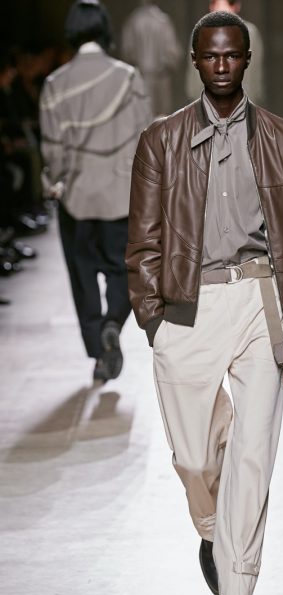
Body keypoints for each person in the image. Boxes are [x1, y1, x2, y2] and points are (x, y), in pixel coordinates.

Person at [126, 11, 283, 595]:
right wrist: (153, 320)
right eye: (211, 56)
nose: (222, 65)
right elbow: (143, 240)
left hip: (260, 299)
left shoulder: (282, 139)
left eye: (232, 55)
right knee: (194, 458)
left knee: (254, 453)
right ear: (195, 61)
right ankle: (212, 528)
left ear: (247, 58)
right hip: (188, 304)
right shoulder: (161, 141)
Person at [39, 0, 149, 383]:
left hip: (77, 196)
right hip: (121, 194)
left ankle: (98, 350)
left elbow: (53, 149)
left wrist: (55, 179)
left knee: (82, 275)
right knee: (124, 270)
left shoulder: (55, 84)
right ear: (105, 30)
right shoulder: (129, 78)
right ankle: (113, 323)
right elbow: (144, 136)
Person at [185, 0, 265, 105]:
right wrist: (193, 95)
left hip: (243, 97)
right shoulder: (200, 32)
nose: (222, 10)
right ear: (211, 7)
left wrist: (254, 96)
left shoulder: (250, 32)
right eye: (218, 5)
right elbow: (194, 72)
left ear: (236, 7)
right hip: (206, 98)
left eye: (226, 5)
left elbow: (254, 69)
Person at [121, 0, 182, 116]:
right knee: (161, 118)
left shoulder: (133, 20)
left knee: (141, 117)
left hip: (140, 78)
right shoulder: (163, 21)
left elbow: (127, 52)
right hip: (161, 79)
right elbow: (173, 53)